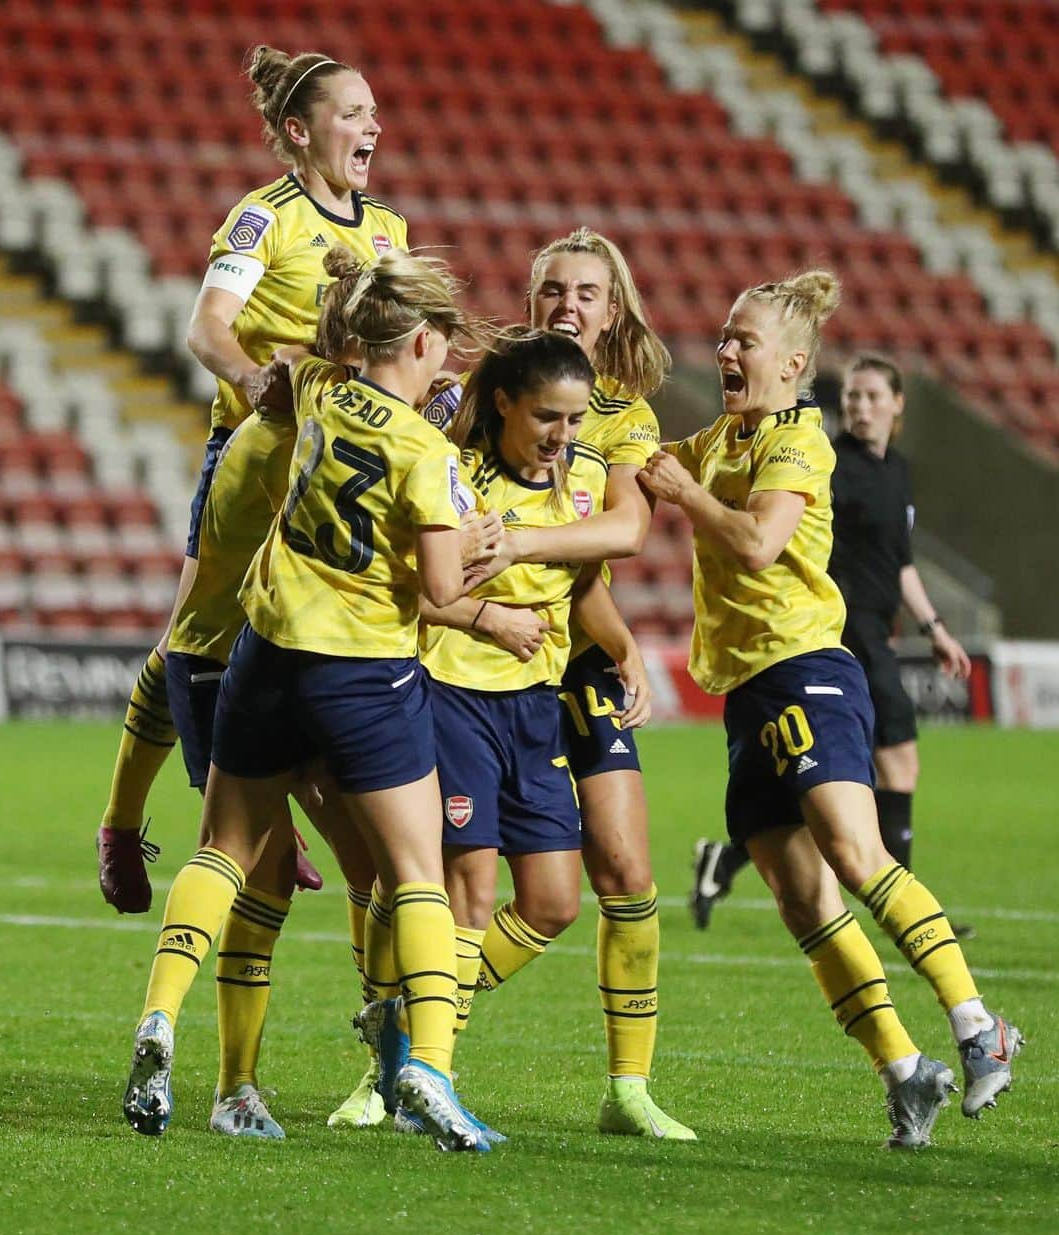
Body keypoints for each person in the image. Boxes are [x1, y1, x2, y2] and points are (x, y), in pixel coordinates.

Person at [121, 245, 499, 1152]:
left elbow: (307, 353)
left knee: (223, 851)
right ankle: (427, 1071)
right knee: (416, 873)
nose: (449, 357)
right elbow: (441, 592)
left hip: (264, 657)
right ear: (415, 339)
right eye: (442, 341)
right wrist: (484, 564)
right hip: (364, 674)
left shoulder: (321, 389)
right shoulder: (426, 452)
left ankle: (160, 1019)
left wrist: (345, 288)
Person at [637, 270, 1021, 1147]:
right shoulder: (730, 436)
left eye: (745, 340)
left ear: (795, 361)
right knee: (801, 897)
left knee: (855, 852)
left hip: (805, 668)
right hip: (748, 690)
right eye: (725, 337)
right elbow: (649, 462)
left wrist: (687, 496)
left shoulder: (798, 444)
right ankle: (904, 1069)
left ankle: (976, 1025)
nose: (726, 350)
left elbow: (762, 544)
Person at [375, 227, 693, 1140]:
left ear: (615, 306)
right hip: (473, 661)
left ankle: (623, 1085)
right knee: (440, 877)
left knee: (615, 871)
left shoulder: (620, 418)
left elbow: (617, 540)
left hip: (568, 651)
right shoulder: (476, 401)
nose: (567, 304)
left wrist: (615, 637)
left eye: (587, 292)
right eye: (552, 288)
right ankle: (403, 1063)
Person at [96, 44, 405, 916]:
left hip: (343, 463)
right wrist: (254, 376)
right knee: (196, 638)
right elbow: (206, 328)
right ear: (300, 132)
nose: (372, 125)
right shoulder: (262, 219)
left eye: (375, 111)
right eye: (353, 112)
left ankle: (285, 802)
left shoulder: (388, 231)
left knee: (309, 643)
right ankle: (126, 821)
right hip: (254, 458)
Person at [418, 332, 652, 1132]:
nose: (563, 434)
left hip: (534, 704)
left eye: (577, 419)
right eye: (548, 417)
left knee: (553, 902)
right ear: (507, 405)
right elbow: (415, 592)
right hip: (455, 693)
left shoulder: (582, 478)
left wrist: (623, 650)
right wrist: (488, 621)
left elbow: (584, 582)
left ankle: (411, 1018)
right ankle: (430, 1078)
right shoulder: (459, 479)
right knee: (471, 895)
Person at [689, 354, 975, 936]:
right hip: (831, 633)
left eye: (872, 396)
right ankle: (900, 903)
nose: (859, 407)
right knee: (889, 764)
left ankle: (728, 859)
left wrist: (934, 627)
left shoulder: (897, 472)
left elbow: (901, 564)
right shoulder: (825, 460)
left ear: (898, 404)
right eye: (852, 397)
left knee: (830, 777)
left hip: (875, 630)